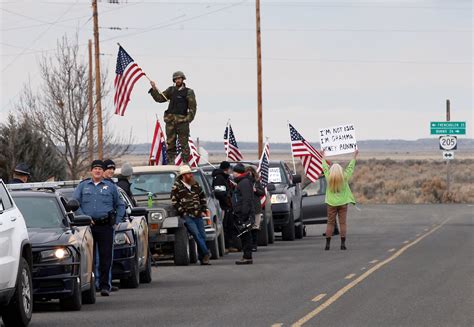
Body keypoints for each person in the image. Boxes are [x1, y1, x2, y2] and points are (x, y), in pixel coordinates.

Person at [73, 160, 125, 296]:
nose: (97, 171)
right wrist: (84, 217)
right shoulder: (83, 186)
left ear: (103, 172)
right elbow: (74, 204)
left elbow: (120, 205)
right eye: (95, 168)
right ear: (91, 171)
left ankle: (104, 286)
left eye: (100, 169)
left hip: (106, 226)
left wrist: (117, 221)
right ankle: (91, 285)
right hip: (87, 227)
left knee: (105, 257)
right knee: (90, 257)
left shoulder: (111, 187)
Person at [149, 71, 197, 165]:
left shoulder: (189, 92)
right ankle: (171, 163)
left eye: (179, 78)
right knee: (170, 143)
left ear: (182, 79)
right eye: (176, 79)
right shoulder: (171, 90)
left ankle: (185, 163)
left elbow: (192, 108)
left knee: (184, 143)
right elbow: (160, 98)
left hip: (182, 121)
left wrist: (187, 119)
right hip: (170, 121)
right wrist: (154, 89)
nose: (177, 80)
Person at [171, 165, 211, 265]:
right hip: (187, 216)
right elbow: (174, 202)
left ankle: (203, 258)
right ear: (183, 175)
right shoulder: (177, 187)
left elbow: (202, 197)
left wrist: (203, 209)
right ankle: (206, 252)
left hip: (198, 215)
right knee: (196, 235)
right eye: (189, 174)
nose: (191, 175)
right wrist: (182, 212)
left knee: (202, 235)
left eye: (190, 173)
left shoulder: (196, 185)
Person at [321, 149, 358, 251]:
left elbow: (324, 167)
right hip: (343, 203)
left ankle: (327, 244)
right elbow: (350, 168)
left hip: (331, 203)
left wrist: (322, 156)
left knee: (330, 223)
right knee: (343, 223)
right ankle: (343, 244)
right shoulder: (344, 177)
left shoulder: (329, 177)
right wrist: (354, 156)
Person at [212, 161, 238, 253]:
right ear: (226, 169)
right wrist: (226, 202)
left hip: (228, 206)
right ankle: (225, 246)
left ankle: (230, 245)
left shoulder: (225, 178)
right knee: (225, 226)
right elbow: (219, 193)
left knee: (230, 226)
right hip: (223, 206)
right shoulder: (219, 178)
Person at [232, 163, 255, 265]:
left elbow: (247, 200)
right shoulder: (241, 182)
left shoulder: (244, 182)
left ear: (238, 173)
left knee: (246, 236)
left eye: (234, 172)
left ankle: (247, 256)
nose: (232, 174)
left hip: (244, 213)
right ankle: (246, 256)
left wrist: (244, 214)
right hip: (241, 212)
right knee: (244, 235)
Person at [245, 166, 266, 252]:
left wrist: (255, 190)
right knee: (248, 227)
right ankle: (248, 245)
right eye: (247, 173)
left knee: (255, 227)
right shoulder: (244, 182)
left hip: (256, 207)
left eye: (250, 173)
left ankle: (254, 244)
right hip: (247, 208)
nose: (249, 175)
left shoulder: (257, 182)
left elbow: (262, 192)